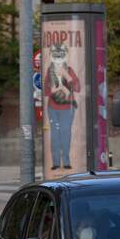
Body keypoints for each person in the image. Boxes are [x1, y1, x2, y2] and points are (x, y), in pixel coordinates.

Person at [46, 42, 80, 171]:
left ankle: (66, 161)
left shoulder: (69, 70)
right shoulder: (49, 71)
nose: (59, 57)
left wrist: (66, 75)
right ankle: (55, 162)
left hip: (67, 108)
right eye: (56, 54)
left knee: (65, 134)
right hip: (53, 107)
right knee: (54, 135)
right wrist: (54, 90)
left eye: (61, 54)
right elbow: (45, 90)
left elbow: (77, 88)